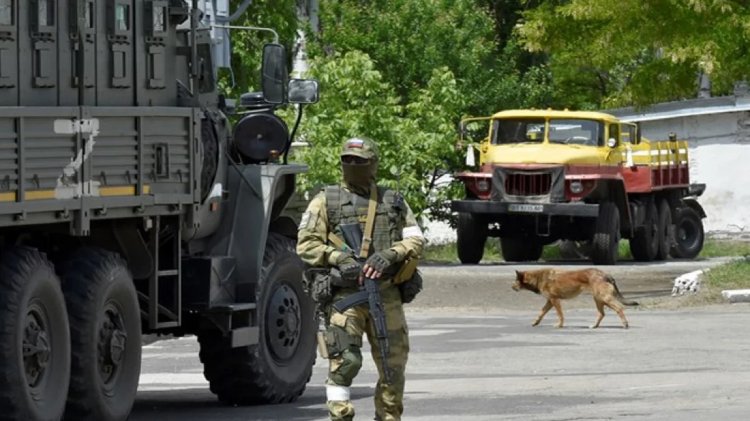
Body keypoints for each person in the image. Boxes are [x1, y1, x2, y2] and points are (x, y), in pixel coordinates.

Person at [297, 137, 425, 421]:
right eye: (348, 160)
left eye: (360, 161)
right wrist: (338, 257)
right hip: (346, 298)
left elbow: (415, 239)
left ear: (373, 164)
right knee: (345, 363)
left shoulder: (392, 201)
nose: (353, 165)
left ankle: (389, 417)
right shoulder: (325, 201)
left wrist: (391, 254)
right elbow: (306, 245)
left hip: (386, 294)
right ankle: (340, 415)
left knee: (393, 367)